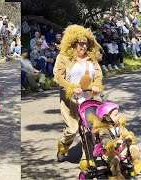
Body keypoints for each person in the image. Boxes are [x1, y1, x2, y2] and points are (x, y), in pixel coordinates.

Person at [53, 25, 104, 170]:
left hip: (89, 100)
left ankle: (87, 158)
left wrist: (97, 84)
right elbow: (58, 77)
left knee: (89, 129)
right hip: (71, 100)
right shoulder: (63, 58)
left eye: (86, 43)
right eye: (80, 42)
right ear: (73, 42)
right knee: (73, 129)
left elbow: (99, 75)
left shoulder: (91, 59)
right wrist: (70, 87)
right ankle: (62, 147)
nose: (83, 46)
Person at [89, 102, 141, 179]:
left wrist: (127, 135)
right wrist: (115, 143)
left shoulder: (118, 125)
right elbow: (105, 142)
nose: (118, 116)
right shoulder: (103, 130)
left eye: (118, 114)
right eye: (115, 115)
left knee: (134, 148)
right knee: (115, 159)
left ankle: (138, 168)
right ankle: (117, 175)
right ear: (107, 118)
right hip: (108, 153)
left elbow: (124, 132)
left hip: (120, 150)